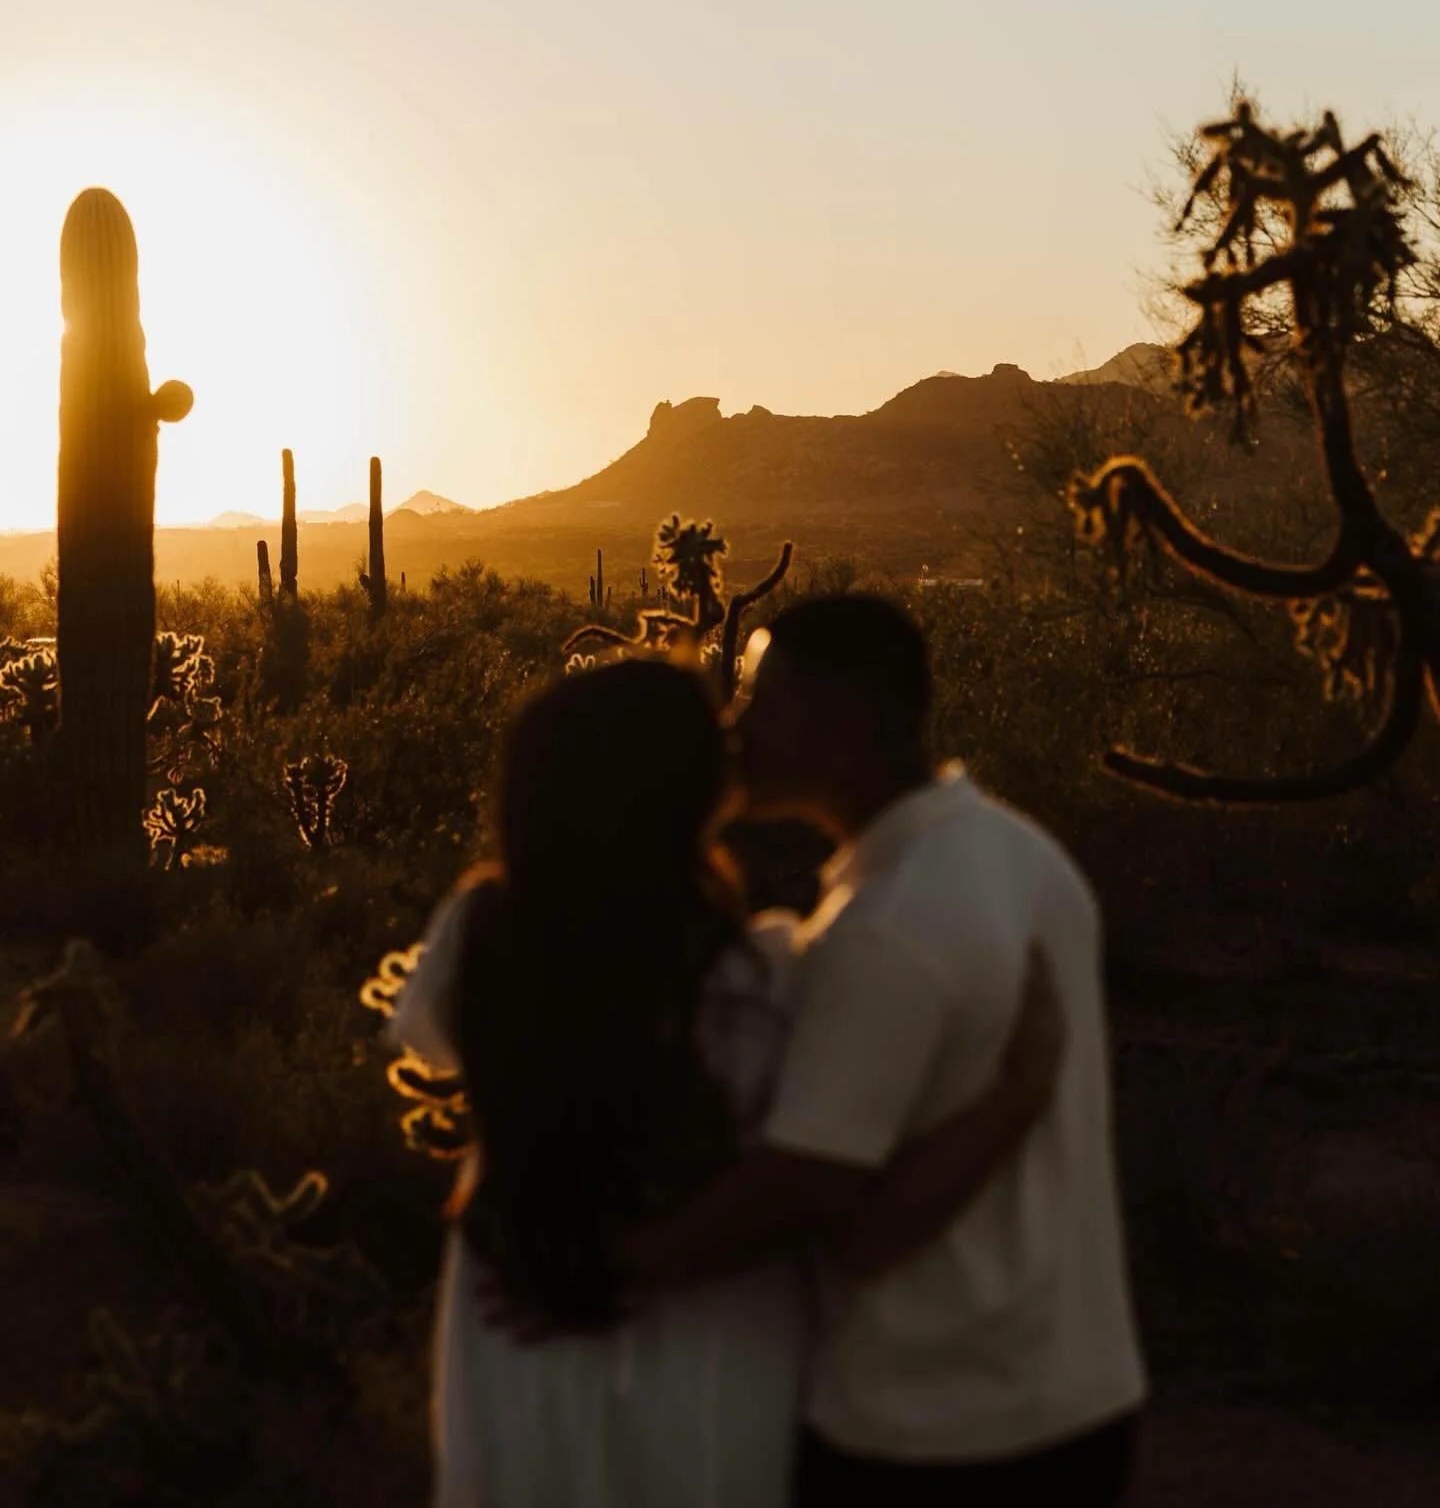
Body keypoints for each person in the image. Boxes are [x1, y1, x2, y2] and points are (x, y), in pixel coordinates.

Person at [384, 654, 1065, 1508]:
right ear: (687, 790)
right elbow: (834, 1180)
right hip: (712, 1334)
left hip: (518, 1310)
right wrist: (1025, 1088)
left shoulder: (476, 935)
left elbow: (447, 1048)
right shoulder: (763, 984)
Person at [621, 595, 1148, 1506]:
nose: (734, 726)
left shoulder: (886, 929)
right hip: (1079, 1395)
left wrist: (610, 1270)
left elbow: (819, 1199)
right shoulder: (1025, 855)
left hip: (933, 1433)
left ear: (844, 726)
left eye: (760, 701)